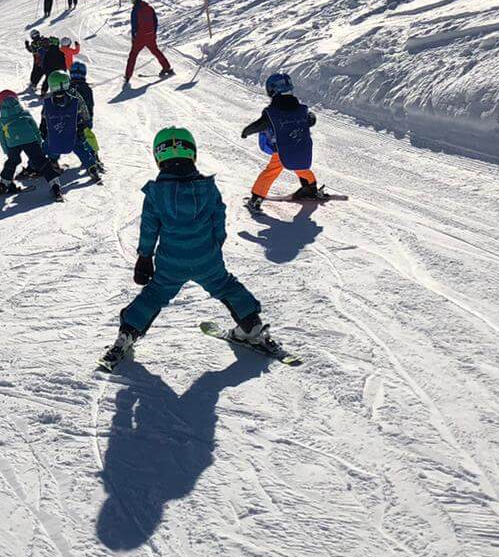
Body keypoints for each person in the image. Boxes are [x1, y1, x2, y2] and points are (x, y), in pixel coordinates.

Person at [100, 127, 273, 368]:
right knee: (225, 285)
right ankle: (251, 325)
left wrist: (144, 258)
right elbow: (219, 221)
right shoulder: (208, 187)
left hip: (171, 263)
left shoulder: (156, 193)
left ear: (159, 157)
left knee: (156, 293)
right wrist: (214, 246)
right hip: (207, 259)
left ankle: (127, 333)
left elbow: (149, 228)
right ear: (192, 154)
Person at [241, 73, 322, 209]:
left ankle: (256, 199)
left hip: (282, 148)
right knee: (300, 166)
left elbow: (261, 125)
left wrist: (246, 131)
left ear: (272, 90)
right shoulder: (300, 108)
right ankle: (310, 188)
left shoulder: (273, 112)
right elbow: (309, 120)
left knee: (271, 171)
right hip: (300, 145)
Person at [0, 90, 64, 201]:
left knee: (13, 160)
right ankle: (54, 184)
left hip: (13, 142)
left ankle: (4, 184)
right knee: (40, 160)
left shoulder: (2, 120)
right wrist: (39, 141)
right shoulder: (24, 113)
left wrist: (7, 150)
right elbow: (35, 128)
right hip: (30, 139)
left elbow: (2, 137)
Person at [40, 71, 102, 181]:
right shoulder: (74, 96)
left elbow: (44, 115)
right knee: (80, 148)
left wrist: (43, 129)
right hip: (73, 132)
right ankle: (92, 167)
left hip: (56, 132)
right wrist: (85, 124)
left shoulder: (49, 100)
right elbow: (82, 110)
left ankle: (49, 162)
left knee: (51, 144)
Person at [124, 0, 174, 83]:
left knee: (133, 55)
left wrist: (134, 38)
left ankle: (128, 76)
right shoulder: (150, 8)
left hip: (140, 37)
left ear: (134, 1)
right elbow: (155, 21)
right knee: (155, 51)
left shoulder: (135, 10)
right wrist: (153, 33)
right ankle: (167, 68)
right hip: (150, 35)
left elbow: (134, 25)